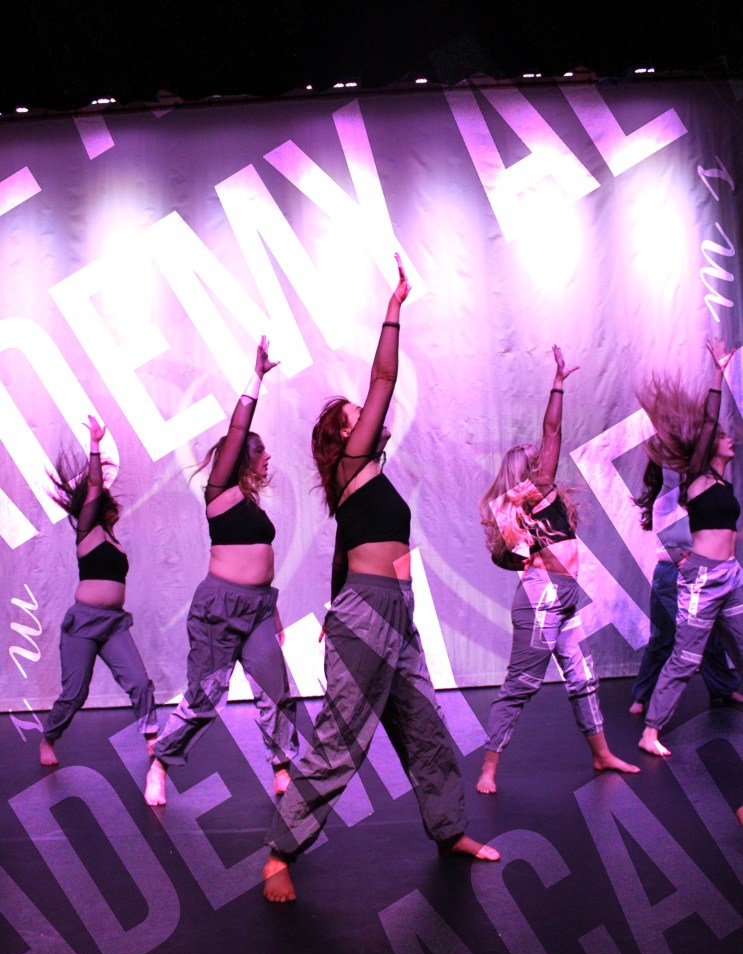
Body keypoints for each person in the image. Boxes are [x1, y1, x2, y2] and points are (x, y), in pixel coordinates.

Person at [263, 255, 498, 902]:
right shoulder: (351, 465)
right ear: (341, 437)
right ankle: (279, 854)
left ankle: (448, 830)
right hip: (370, 613)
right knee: (341, 740)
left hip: (395, 611)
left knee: (427, 729)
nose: (364, 414)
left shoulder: (372, 481)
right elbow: (385, 378)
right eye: (352, 415)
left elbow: (346, 553)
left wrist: (336, 611)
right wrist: (394, 307)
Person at [476, 346, 639, 794]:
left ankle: (602, 754)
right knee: (521, 685)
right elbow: (553, 431)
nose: (544, 456)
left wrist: (560, 381)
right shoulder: (530, 493)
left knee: (583, 677)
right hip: (541, 599)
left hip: (564, 597)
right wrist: (558, 385)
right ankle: (488, 769)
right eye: (535, 457)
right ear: (526, 470)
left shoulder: (540, 496)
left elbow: (549, 435)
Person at [144, 337, 297, 804]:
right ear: (242, 457)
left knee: (275, 687)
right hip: (219, 609)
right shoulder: (219, 493)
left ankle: (282, 768)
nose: (268, 458)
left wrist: (272, 611)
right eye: (261, 452)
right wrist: (257, 378)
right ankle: (161, 762)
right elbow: (238, 427)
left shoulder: (249, 503)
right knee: (207, 697)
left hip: (258, 608)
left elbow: (261, 567)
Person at [638, 338, 743, 756]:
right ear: (708, 444)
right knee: (685, 657)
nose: (730, 440)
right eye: (722, 437)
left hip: (732, 574)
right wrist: (719, 371)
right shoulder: (697, 479)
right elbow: (710, 419)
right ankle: (650, 732)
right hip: (703, 579)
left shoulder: (722, 483)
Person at [40, 416, 158, 765]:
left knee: (139, 681)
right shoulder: (86, 531)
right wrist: (95, 444)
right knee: (75, 693)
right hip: (84, 622)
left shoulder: (112, 539)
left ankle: (152, 738)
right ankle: (48, 739)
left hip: (113, 623)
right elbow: (94, 484)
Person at [630, 458, 743, 715]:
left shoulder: (698, 498)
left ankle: (723, 688)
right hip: (669, 577)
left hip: (696, 574)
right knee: (663, 639)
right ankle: (641, 695)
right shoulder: (666, 499)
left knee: (710, 638)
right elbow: (672, 474)